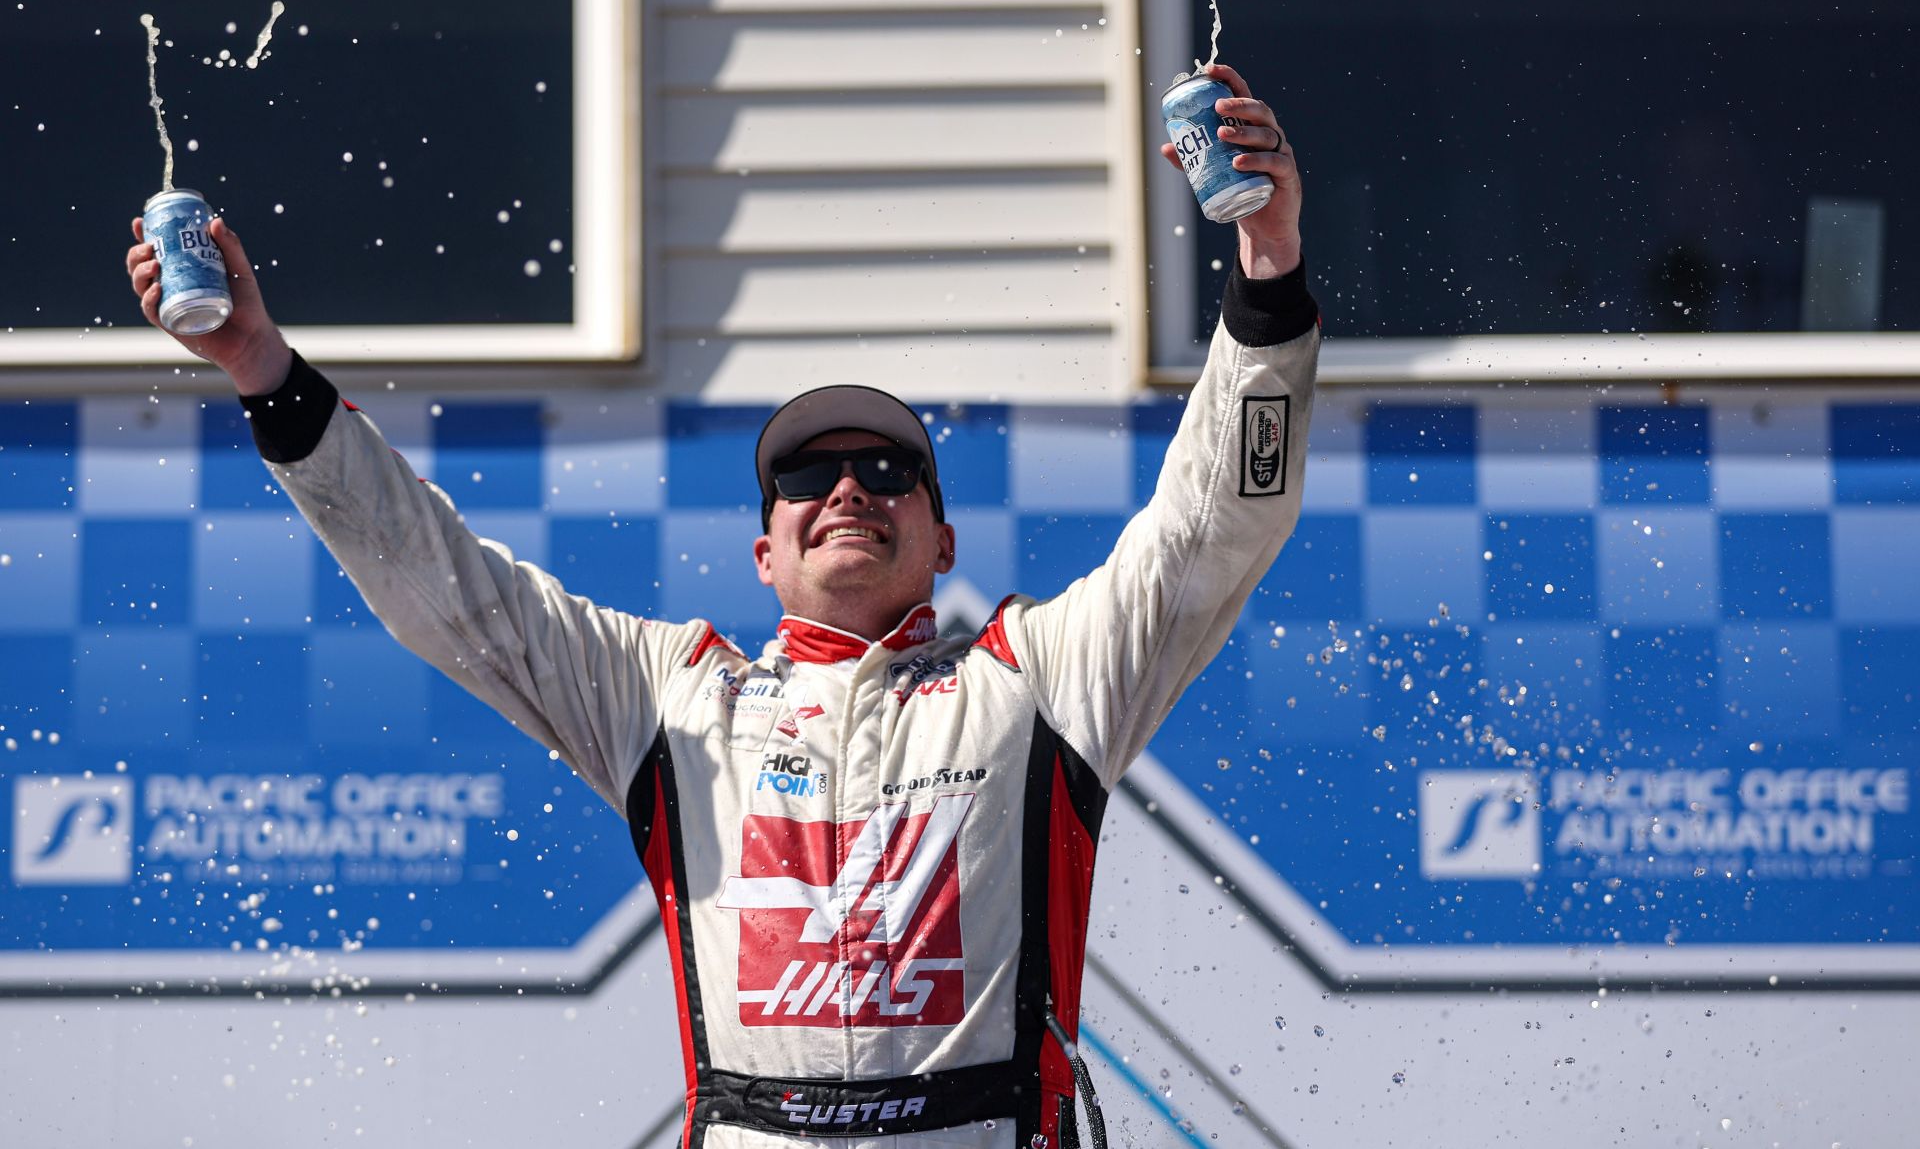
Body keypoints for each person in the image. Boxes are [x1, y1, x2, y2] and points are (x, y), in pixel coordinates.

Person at [125, 63, 1320, 1149]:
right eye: (808, 477)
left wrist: (1268, 271)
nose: (848, 489)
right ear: (765, 550)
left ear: (942, 535)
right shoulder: (678, 698)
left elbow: (1216, 526)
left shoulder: (1039, 675)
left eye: (889, 470)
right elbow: (444, 590)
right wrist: (263, 374)